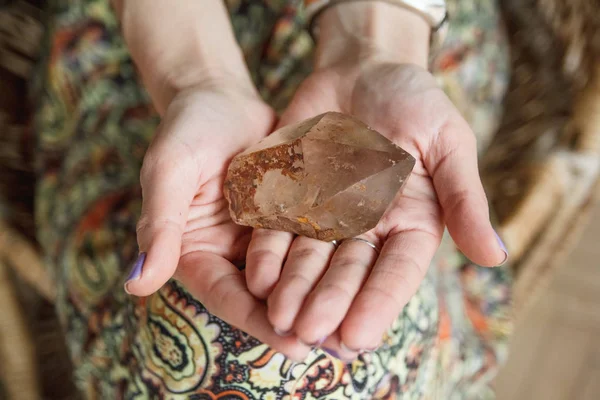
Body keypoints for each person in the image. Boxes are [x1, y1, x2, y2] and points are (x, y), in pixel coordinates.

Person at [34, 0, 512, 397]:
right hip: (146, 35)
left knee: (305, 358)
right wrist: (197, 77)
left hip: (405, 17)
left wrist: (376, 40)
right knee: (231, 348)